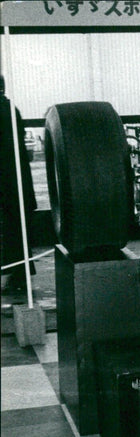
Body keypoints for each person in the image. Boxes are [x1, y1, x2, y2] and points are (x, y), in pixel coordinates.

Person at [0, 74, 36, 292]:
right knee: (18, 228)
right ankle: (20, 274)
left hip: (6, 182)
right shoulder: (11, 109)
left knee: (11, 229)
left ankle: (17, 274)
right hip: (16, 182)